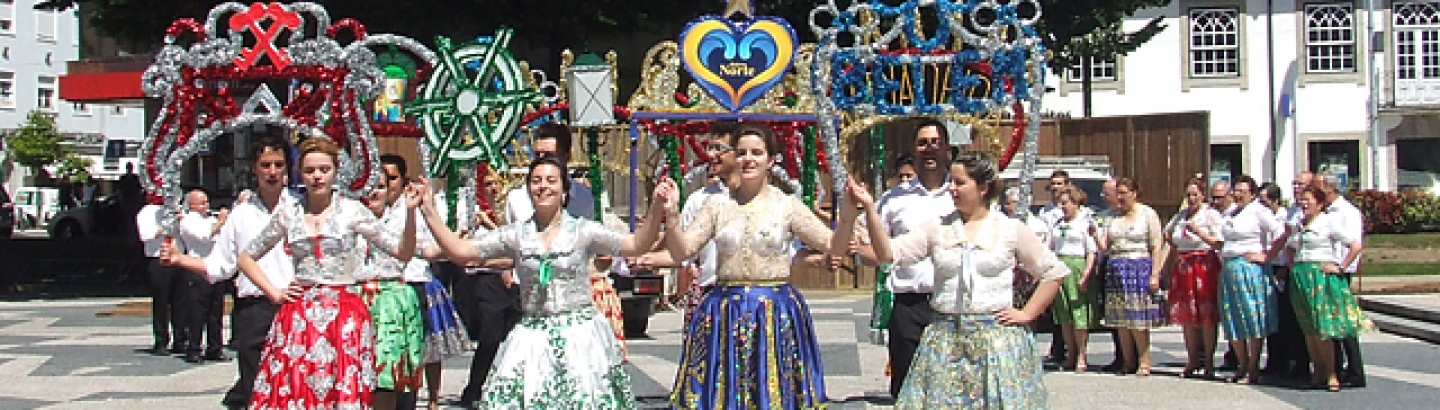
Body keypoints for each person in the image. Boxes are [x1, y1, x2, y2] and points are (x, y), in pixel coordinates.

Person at [662, 125, 885, 409]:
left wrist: (849, 217)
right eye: (741, 153)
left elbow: (834, 246)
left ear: (771, 160)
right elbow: (683, 250)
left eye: (757, 152)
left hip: (773, 311)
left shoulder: (787, 206)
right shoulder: (716, 205)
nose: (748, 159)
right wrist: (670, 216)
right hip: (724, 311)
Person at [420, 156, 666, 408]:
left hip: (580, 337)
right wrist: (428, 210)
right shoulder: (516, 235)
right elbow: (461, 251)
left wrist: (657, 207)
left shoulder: (584, 231)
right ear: (528, 189)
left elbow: (636, 245)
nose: (543, 186)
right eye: (536, 181)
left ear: (564, 190)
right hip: (532, 335)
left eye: (551, 180)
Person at [863, 151, 1067, 408]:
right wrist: (870, 210)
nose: (951, 188)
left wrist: (1027, 313)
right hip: (945, 339)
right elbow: (890, 254)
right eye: (952, 181)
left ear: (982, 187)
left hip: (996, 342)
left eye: (960, 183)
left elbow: (1053, 272)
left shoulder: (1009, 229)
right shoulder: (938, 228)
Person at [237, 136, 419, 409]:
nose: (317, 177)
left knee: (342, 388)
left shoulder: (351, 210)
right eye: (310, 171)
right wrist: (274, 292)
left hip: (344, 312)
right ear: (300, 173)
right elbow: (246, 257)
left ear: (335, 171)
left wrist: (412, 215)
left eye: (324, 170)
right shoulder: (290, 212)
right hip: (299, 312)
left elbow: (402, 252)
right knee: (296, 389)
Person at [160, 136, 297, 410]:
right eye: (266, 165)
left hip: (296, 307)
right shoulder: (241, 214)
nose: (272, 172)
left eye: (278, 165)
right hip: (255, 308)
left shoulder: (301, 206)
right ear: (254, 168)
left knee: (295, 384)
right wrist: (179, 259)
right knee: (254, 385)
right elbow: (219, 266)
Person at [852, 120, 952, 398]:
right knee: (907, 388)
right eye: (922, 143)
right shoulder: (893, 200)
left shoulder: (961, 194)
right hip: (909, 304)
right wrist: (860, 249)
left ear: (947, 148)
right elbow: (877, 250)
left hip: (953, 303)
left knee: (951, 387)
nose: (929, 149)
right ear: (914, 149)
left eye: (935, 142)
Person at [1276, 184, 1367, 392]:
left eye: (1308, 200)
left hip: (1320, 277)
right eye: (1302, 200)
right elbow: (1290, 246)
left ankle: (1331, 373)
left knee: (1322, 327)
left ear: (1320, 203)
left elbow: (1355, 245)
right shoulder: (1299, 223)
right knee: (1308, 328)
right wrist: (1293, 266)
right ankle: (1317, 370)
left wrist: (1340, 267)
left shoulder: (1328, 223)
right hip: (1301, 277)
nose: (1303, 203)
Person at [361, 154, 428, 410]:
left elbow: (411, 250)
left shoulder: (399, 216)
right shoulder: (350, 219)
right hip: (358, 301)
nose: (377, 192)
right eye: (370, 187)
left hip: (391, 302)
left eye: (381, 185)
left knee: (390, 377)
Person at [1092, 177, 1167, 376]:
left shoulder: (1147, 214)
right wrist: (1094, 236)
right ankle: (1128, 361)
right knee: (1121, 320)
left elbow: (1156, 245)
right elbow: (1105, 247)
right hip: (1117, 267)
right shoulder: (1112, 217)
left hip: (1138, 266)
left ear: (1134, 193)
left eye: (1124, 192)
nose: (1121, 197)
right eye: (1119, 193)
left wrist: (1155, 274)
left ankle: (1144, 361)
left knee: (1137, 319)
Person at [1216, 175, 1283, 385]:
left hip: (1250, 269)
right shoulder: (1231, 213)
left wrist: (1267, 256)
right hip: (1229, 268)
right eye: (1235, 191)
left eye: (1242, 192)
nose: (1237, 195)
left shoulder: (1259, 212)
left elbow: (1280, 234)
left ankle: (1253, 366)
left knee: (1252, 317)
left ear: (1252, 194)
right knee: (1233, 317)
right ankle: (1241, 364)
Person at [1164, 177, 1225, 379]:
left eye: (1195, 195)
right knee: (1187, 316)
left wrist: (1198, 232)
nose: (1191, 199)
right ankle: (1192, 359)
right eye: (1188, 195)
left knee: (1206, 315)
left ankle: (1208, 360)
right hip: (1184, 264)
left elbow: (1218, 242)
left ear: (1202, 195)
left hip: (1204, 264)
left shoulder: (1211, 215)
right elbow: (1168, 235)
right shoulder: (1180, 215)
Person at [1315, 174, 1367, 388]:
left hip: (1339, 271)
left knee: (1344, 322)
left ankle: (1355, 370)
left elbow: (1354, 243)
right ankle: (1335, 366)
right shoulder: (1324, 212)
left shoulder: (1347, 212)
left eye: (1317, 187)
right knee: (1330, 322)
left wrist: (1342, 267)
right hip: (1324, 270)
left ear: (1328, 188)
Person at [175, 188, 231, 364]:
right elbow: (204, 236)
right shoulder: (188, 221)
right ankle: (194, 348)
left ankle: (215, 347)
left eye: (207, 202)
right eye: (202, 202)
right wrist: (221, 222)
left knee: (216, 312)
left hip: (214, 269)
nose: (207, 205)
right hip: (197, 268)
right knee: (197, 312)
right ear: (192, 205)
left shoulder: (211, 219)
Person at [1049, 185, 1100, 372]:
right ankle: (1070, 353)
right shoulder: (1057, 224)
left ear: (1075, 202)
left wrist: (1086, 275)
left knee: (1079, 314)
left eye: (1065, 203)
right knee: (1064, 315)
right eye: (1060, 203)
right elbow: (1051, 247)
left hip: (1077, 266)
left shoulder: (1084, 223)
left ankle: (1081, 355)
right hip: (1060, 266)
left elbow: (1092, 251)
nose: (1062, 207)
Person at [138, 196, 188, 356]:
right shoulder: (147, 212)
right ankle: (161, 340)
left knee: (180, 301)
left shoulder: (177, 210)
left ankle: (181, 339)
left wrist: (181, 221)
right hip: (158, 258)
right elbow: (146, 235)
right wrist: (166, 226)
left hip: (178, 256)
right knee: (161, 301)